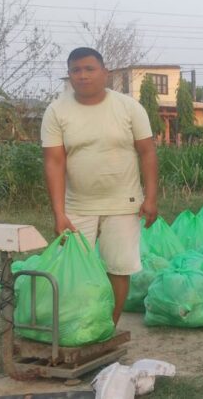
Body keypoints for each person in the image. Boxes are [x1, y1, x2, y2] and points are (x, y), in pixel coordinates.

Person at [41, 47, 158, 326]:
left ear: (105, 73)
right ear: (69, 75)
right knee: (72, 267)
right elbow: (54, 162)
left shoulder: (129, 107)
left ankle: (108, 327)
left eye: (89, 69)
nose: (83, 76)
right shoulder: (57, 110)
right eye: (76, 70)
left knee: (118, 268)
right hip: (77, 206)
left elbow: (147, 152)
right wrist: (59, 213)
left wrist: (151, 198)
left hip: (124, 204)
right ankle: (77, 325)